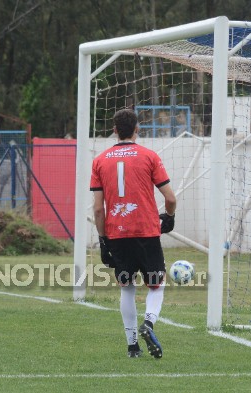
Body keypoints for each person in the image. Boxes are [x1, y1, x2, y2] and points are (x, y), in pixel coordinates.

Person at [90, 108, 177, 359]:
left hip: (117, 234)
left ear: (115, 130)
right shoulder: (149, 156)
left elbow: (98, 208)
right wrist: (169, 217)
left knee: (126, 288)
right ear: (137, 129)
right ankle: (148, 325)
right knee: (156, 286)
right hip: (146, 231)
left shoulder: (99, 161)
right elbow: (170, 198)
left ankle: (132, 347)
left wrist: (103, 238)